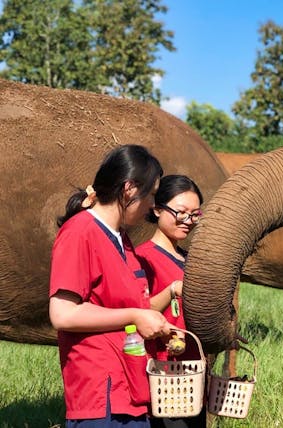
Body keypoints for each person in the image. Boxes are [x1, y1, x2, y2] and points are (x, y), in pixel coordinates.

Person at [49, 144, 174, 427]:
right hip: (101, 394)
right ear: (130, 188)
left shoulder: (121, 238)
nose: (153, 206)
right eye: (152, 194)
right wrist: (134, 316)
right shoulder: (80, 231)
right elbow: (63, 314)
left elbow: (124, 305)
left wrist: (154, 323)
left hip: (130, 387)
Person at [136, 174, 205, 428]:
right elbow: (138, 311)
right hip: (164, 373)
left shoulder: (190, 259)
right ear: (156, 210)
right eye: (181, 212)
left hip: (193, 372)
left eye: (195, 214)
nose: (188, 221)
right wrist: (172, 290)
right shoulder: (143, 258)